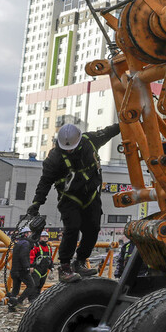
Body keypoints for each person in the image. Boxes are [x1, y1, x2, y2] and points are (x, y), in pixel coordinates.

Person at [27, 122, 121, 284]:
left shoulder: (90, 140)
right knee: (72, 228)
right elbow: (45, 182)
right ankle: (64, 267)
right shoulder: (54, 158)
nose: (69, 150)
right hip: (69, 198)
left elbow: (107, 131)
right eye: (66, 148)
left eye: (72, 148)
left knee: (93, 229)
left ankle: (80, 261)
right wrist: (36, 203)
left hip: (90, 196)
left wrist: (125, 122)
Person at [6, 228, 37, 312]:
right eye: (29, 232)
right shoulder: (25, 243)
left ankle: (11, 307)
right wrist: (27, 267)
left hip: (14, 270)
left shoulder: (18, 244)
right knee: (31, 285)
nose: (31, 234)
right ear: (26, 234)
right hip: (22, 270)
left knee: (15, 289)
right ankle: (19, 302)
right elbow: (23, 256)